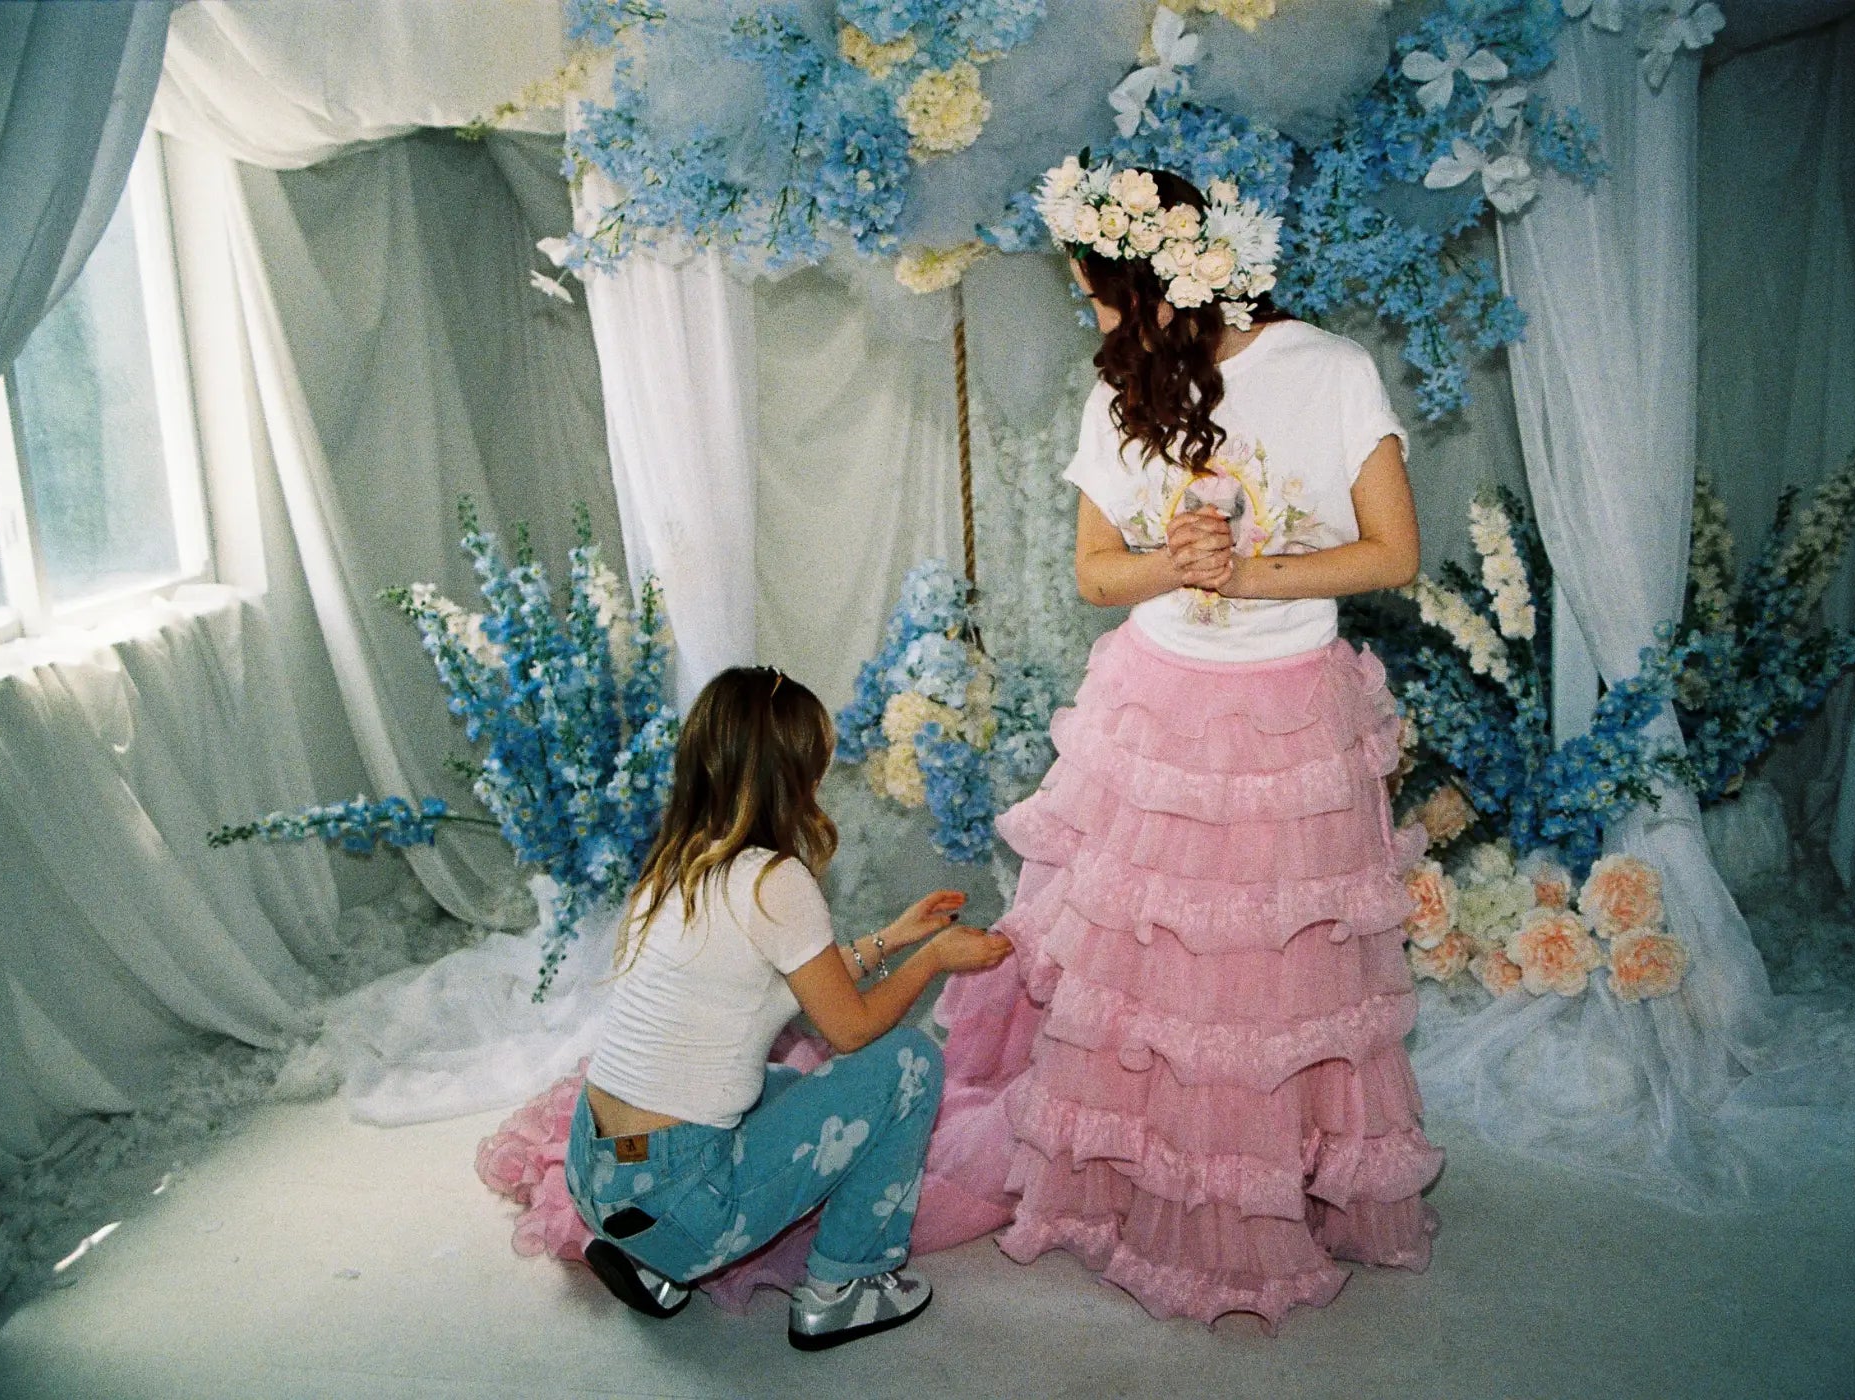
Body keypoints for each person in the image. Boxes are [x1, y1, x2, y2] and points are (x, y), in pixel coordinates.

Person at [913, 160, 1444, 1327]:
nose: (1095, 317)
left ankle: (1272, 1184)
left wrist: (1253, 572)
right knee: (1146, 981)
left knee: (1271, 975)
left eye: (1099, 292)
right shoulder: (1120, 393)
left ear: (1163, 275)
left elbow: (1392, 552)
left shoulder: (1327, 369)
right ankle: (1142, 1188)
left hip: (1293, 709)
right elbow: (1095, 571)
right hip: (1155, 708)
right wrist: (1182, 564)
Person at [563, 665, 1012, 1349]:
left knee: (781, 1086)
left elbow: (782, 993)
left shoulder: (678, 868)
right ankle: (845, 1286)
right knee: (908, 1063)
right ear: (789, 773)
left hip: (599, 1169)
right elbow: (851, 1029)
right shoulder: (778, 880)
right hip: (684, 1201)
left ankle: (642, 1256)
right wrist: (934, 959)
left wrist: (892, 938)